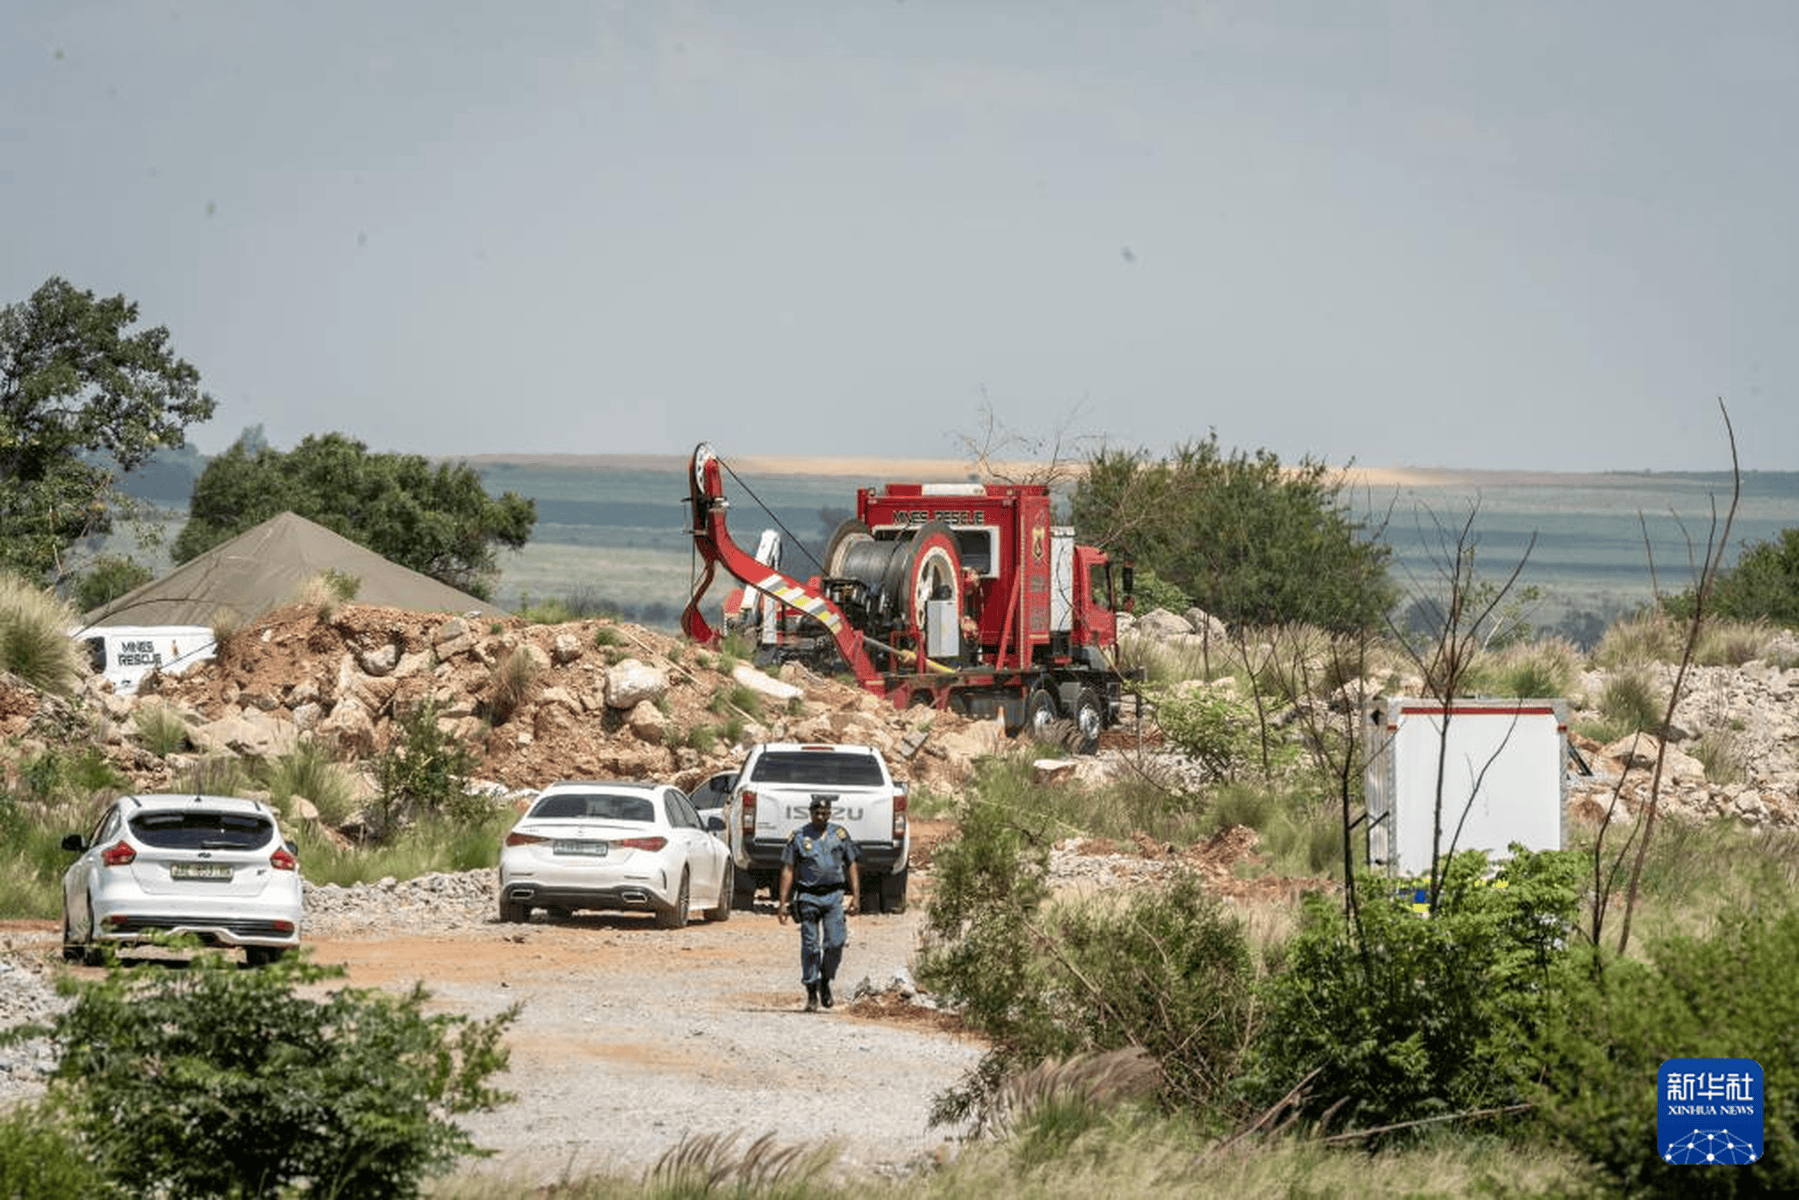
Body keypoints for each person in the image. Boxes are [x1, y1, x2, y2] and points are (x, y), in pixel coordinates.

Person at [776, 796, 861, 1012]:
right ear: (811, 813)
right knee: (810, 946)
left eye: (825, 813)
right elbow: (788, 869)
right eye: (817, 813)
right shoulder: (798, 837)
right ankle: (811, 991)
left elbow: (851, 863)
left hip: (834, 896)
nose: (821, 817)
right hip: (808, 897)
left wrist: (856, 896)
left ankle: (826, 980)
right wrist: (783, 903)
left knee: (835, 942)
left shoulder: (839, 835)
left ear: (830, 813)